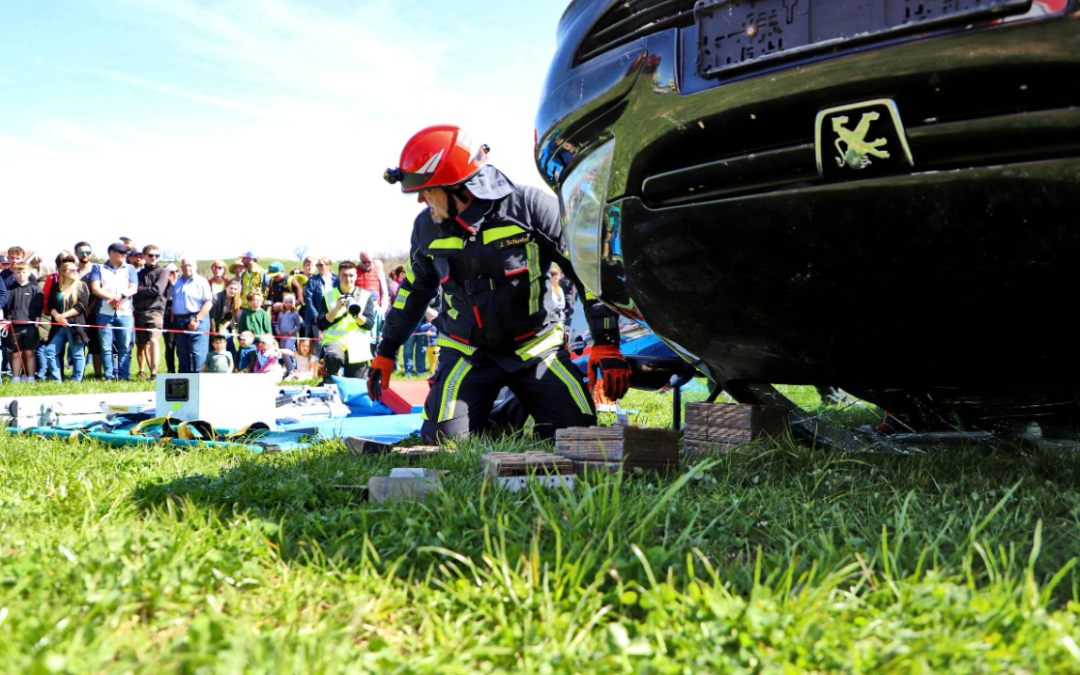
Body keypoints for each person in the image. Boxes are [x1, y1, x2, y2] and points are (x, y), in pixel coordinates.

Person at [371, 125, 631, 443]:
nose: (421, 200)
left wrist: (606, 342)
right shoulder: (427, 227)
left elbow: (589, 273)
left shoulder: (533, 209)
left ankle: (517, 404)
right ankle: (495, 417)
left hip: (536, 349)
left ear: (459, 187)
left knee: (578, 436)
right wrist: (385, 352)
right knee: (444, 444)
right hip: (467, 353)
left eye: (426, 190)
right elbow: (412, 292)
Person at [312, 261, 376, 380]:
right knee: (333, 359)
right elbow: (321, 323)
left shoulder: (366, 295)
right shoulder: (328, 296)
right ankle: (330, 384)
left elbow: (369, 324)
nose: (348, 279)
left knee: (356, 386)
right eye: (344, 275)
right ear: (339, 276)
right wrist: (336, 308)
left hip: (357, 344)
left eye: (351, 275)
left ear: (356, 276)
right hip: (335, 342)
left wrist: (357, 315)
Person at [89, 242, 138, 381]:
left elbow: (133, 288)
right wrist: (112, 298)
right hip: (104, 313)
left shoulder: (130, 269)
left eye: (125, 253)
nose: (124, 255)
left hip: (125, 313)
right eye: (121, 252)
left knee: (125, 346)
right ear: (111, 253)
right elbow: (95, 288)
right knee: (106, 347)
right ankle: (109, 376)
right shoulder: (98, 267)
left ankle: (124, 375)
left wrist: (120, 297)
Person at [44, 260, 91, 382]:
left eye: (76, 269)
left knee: (77, 354)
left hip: (75, 325)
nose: (75, 272)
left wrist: (63, 316)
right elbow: (50, 305)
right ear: (63, 272)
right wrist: (58, 317)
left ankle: (76, 380)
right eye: (72, 270)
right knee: (49, 351)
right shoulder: (56, 286)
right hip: (59, 326)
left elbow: (82, 305)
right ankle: (56, 379)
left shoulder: (81, 286)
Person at [170, 257, 214, 373]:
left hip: (196, 319)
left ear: (195, 266)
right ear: (181, 267)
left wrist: (197, 319)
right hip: (179, 321)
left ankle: (199, 381)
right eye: (184, 265)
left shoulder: (201, 282)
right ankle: (184, 381)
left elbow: (208, 303)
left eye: (190, 265)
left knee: (197, 354)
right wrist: (173, 314)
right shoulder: (177, 282)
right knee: (182, 353)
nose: (187, 268)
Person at [3, 262, 44, 381]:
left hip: (30, 326)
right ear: (14, 273)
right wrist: (6, 320)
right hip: (13, 326)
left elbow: (39, 307)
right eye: (18, 272)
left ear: (29, 273)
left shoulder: (35, 289)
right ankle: (15, 378)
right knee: (15, 353)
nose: (21, 274)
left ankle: (30, 377)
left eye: (24, 272)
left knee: (30, 353)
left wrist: (37, 320)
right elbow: (6, 307)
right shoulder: (10, 289)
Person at [134, 245, 170, 378]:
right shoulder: (138, 274)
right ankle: (146, 371)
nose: (154, 258)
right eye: (150, 255)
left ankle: (154, 374)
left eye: (156, 255)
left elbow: (157, 290)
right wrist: (138, 290)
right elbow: (133, 291)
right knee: (142, 344)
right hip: (139, 312)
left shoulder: (163, 272)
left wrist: (138, 289)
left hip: (156, 311)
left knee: (154, 340)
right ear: (143, 256)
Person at [302, 257, 337, 342]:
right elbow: (309, 299)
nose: (318, 267)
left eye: (321, 265)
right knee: (319, 344)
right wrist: (315, 316)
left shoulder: (336, 280)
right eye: (317, 265)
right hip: (317, 319)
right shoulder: (312, 280)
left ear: (329, 266)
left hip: (334, 317)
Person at [212, 278, 243, 363]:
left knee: (229, 339)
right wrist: (215, 332)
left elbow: (230, 317)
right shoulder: (216, 298)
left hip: (226, 323)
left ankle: (233, 363)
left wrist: (223, 330)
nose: (233, 291)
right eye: (231, 288)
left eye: (235, 289)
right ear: (226, 287)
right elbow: (212, 317)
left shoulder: (237, 301)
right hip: (213, 322)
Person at [276, 293, 301, 375]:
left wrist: (292, 331)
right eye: (286, 302)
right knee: (283, 354)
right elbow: (278, 324)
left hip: (290, 337)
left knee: (287, 354)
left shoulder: (295, 313)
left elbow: (298, 326)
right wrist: (278, 330)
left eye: (290, 302)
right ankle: (288, 370)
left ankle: (291, 371)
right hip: (282, 336)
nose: (288, 304)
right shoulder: (281, 313)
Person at [162, 264, 178, 373]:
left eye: (176, 271)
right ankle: (171, 370)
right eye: (171, 272)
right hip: (168, 319)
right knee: (170, 345)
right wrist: (172, 286)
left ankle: (183, 369)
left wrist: (174, 285)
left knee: (182, 347)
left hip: (181, 319)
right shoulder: (163, 285)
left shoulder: (181, 283)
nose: (175, 274)